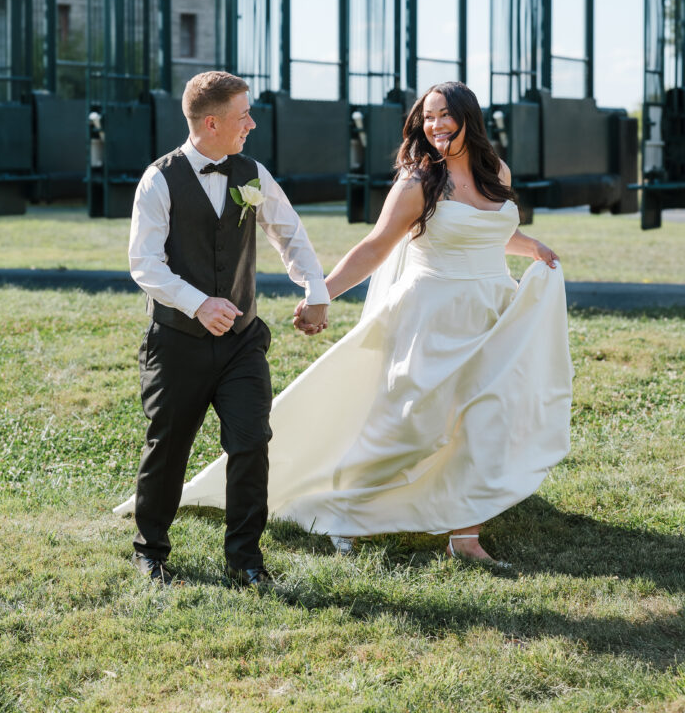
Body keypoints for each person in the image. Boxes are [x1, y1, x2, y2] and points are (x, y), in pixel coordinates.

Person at [180, 82, 572, 567]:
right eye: (428, 118)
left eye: (445, 115)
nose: (436, 125)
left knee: (487, 421)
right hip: (433, 318)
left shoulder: (496, 171)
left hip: (492, 313)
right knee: (411, 427)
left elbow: (492, 230)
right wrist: (320, 293)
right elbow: (375, 247)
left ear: (469, 117)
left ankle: (465, 536)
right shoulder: (418, 182)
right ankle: (342, 511)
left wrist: (531, 247)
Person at [116, 71, 328, 589]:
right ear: (211, 122)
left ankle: (246, 561)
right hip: (176, 344)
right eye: (243, 116)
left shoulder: (253, 174)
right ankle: (152, 553)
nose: (251, 124)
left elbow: (289, 233)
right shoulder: (159, 179)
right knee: (168, 446)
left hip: (240, 343)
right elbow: (144, 264)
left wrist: (315, 289)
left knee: (251, 442)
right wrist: (196, 304)